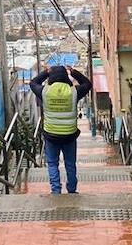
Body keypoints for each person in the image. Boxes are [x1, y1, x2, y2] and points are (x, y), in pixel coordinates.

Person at [30, 65, 92, 194]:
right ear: (66, 77)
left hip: (51, 135)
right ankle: (72, 190)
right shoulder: (74, 92)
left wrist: (46, 73)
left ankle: (56, 190)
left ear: (51, 77)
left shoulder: (45, 92)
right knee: (70, 163)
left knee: (52, 164)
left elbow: (33, 83)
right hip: (70, 135)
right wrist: (74, 72)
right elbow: (87, 84)